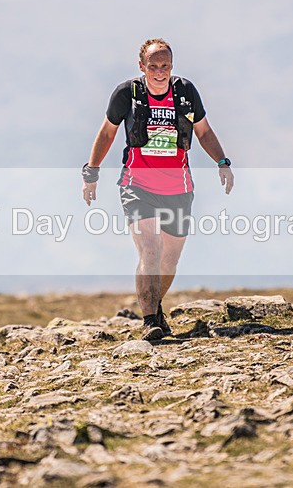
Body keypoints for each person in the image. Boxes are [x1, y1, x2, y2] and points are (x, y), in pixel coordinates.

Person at [82, 38, 234, 341]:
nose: (160, 72)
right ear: (142, 67)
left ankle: (156, 305)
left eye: (165, 66)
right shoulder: (128, 94)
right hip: (137, 185)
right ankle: (150, 321)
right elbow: (107, 133)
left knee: (169, 260)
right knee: (150, 251)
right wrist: (91, 171)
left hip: (179, 188)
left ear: (172, 66)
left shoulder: (185, 92)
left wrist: (222, 161)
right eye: (153, 66)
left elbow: (202, 131)